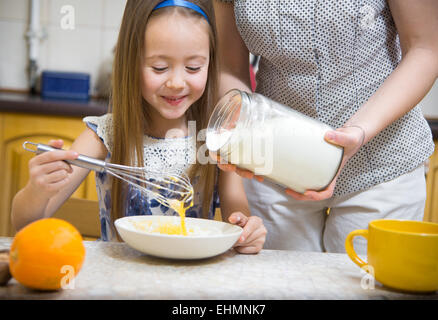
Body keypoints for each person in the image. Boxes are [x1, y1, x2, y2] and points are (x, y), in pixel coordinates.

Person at [11, 0, 266, 253]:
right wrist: (38, 190)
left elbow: (237, 219)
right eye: (160, 67)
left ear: (211, 64)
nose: (177, 82)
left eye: (193, 67)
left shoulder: (219, 140)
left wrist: (247, 231)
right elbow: (24, 223)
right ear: (131, 61)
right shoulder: (105, 135)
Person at [213, 0, 437, 253]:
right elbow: (230, 67)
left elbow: (426, 48)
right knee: (282, 288)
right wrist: (243, 134)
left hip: (382, 163)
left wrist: (358, 131)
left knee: (363, 286)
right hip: (278, 164)